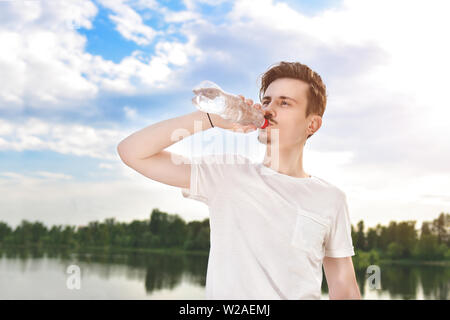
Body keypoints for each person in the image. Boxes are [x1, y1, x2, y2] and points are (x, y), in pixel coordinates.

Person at [117, 61, 361, 300]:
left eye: (284, 103)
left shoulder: (331, 199)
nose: (268, 109)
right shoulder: (227, 173)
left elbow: (345, 290)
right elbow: (133, 152)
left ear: (312, 124)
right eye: (266, 101)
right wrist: (209, 119)